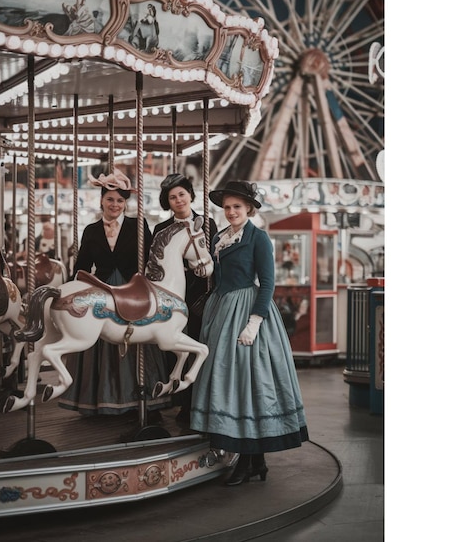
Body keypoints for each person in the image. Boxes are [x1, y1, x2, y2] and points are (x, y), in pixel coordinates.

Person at [190, 180, 309, 486]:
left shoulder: (258, 239)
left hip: (247, 310)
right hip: (221, 310)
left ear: (250, 209)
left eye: (237, 207)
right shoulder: (220, 237)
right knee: (229, 380)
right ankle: (252, 460)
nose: (231, 212)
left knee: (249, 381)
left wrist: (255, 322)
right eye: (227, 207)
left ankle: (250, 460)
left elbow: (268, 283)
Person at [58, 168, 170, 418]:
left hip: (132, 289)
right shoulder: (91, 230)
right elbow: (82, 267)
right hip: (102, 288)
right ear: (101, 200)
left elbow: (152, 260)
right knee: (95, 342)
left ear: (125, 203)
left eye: (120, 200)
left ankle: (142, 399)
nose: (115, 205)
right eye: (110, 199)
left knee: (139, 341)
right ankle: (100, 400)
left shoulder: (138, 225)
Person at [152, 173, 218, 423]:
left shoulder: (207, 223)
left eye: (182, 194)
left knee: (198, 341)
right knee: (173, 347)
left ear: (190, 195)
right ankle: (179, 400)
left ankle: (197, 403)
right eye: (172, 197)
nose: (178, 200)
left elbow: (213, 256)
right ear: (167, 202)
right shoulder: (161, 229)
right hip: (170, 297)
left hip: (199, 293)